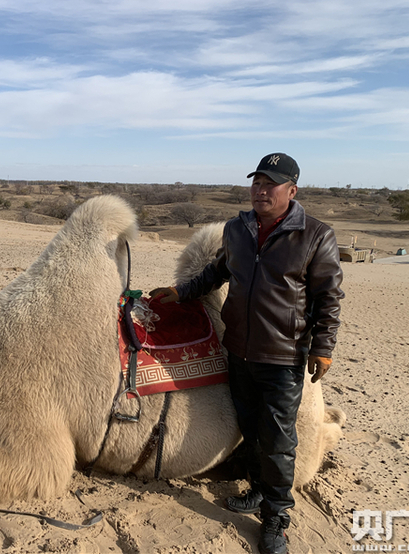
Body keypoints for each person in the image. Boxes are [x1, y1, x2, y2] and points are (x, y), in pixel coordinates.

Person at [151, 153, 343, 554]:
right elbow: (218, 272)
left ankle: (276, 519)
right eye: (256, 182)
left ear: (291, 190)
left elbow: (328, 299)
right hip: (237, 349)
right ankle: (258, 488)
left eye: (270, 183)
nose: (260, 190)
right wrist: (181, 292)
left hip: (283, 355)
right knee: (251, 428)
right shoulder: (238, 229)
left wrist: (323, 348)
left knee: (278, 440)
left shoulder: (314, 235)